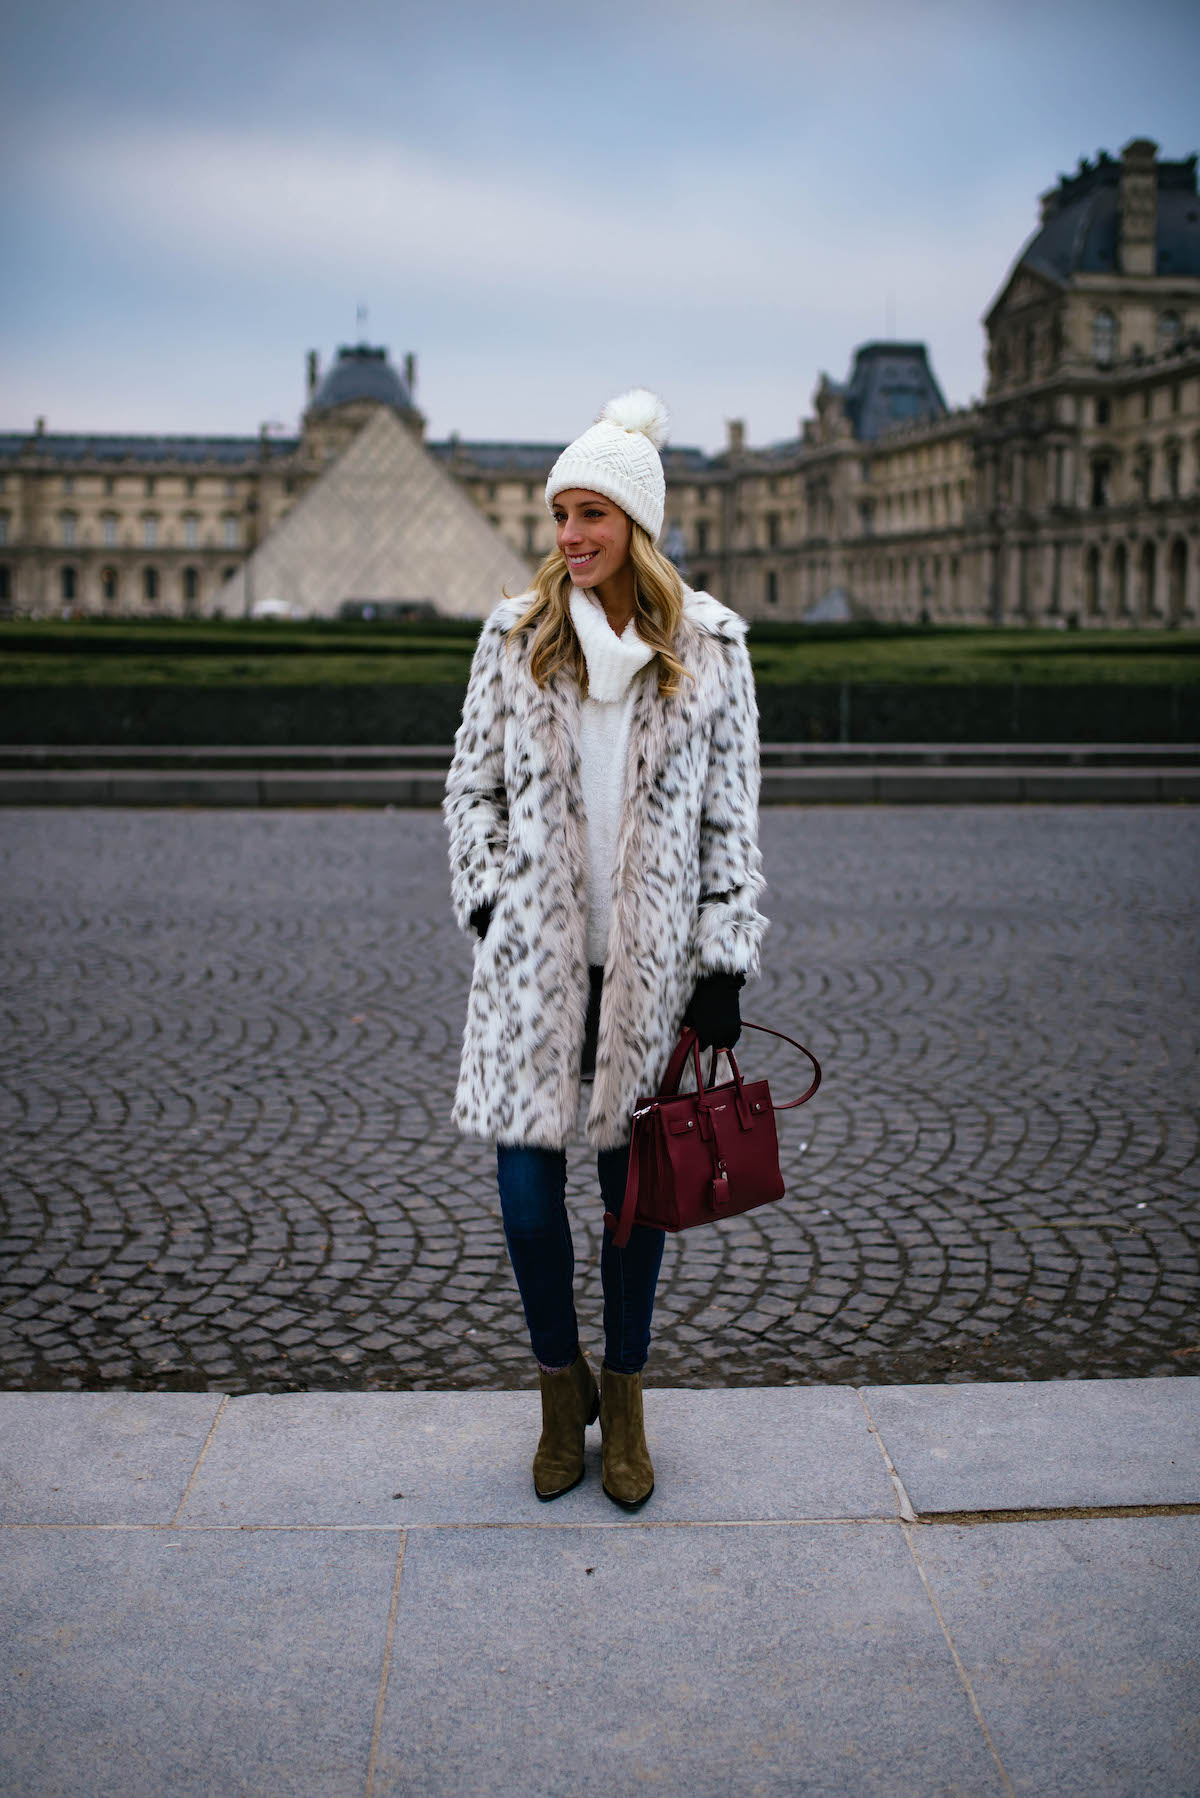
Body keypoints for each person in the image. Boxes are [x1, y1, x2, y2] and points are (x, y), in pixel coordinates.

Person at [443, 388, 766, 1509]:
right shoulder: (512, 638)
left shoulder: (712, 650)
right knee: (529, 1210)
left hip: (651, 976)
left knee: (636, 1212)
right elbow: (470, 790)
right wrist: (490, 903)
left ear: (637, 525)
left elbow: (733, 821)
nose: (571, 535)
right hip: (532, 971)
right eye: (560, 513)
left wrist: (723, 959)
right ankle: (555, 1386)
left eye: (592, 513)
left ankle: (622, 1400)